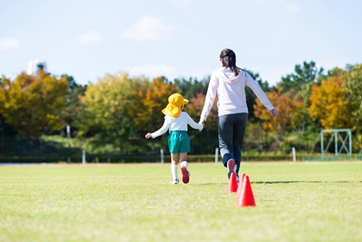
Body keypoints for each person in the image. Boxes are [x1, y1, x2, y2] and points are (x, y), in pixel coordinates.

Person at [199, 48, 279, 181]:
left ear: (221, 60)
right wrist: (270, 107)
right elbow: (257, 89)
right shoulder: (243, 74)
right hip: (242, 113)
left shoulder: (216, 74)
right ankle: (235, 174)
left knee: (225, 145)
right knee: (237, 145)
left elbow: (210, 97)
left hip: (225, 114)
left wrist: (203, 117)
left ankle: (228, 161)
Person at [145, 93, 203, 184]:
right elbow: (194, 125)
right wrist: (201, 126)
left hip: (173, 137)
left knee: (174, 160)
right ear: (182, 106)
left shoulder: (168, 116)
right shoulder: (185, 115)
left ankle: (175, 179)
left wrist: (152, 134)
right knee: (183, 159)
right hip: (184, 136)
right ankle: (184, 167)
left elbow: (163, 129)